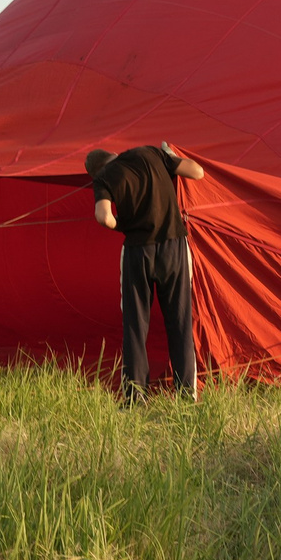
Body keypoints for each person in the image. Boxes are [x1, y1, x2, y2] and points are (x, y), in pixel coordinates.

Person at [86, 140, 206, 402]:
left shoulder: (103, 178)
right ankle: (186, 396)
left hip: (137, 251)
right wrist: (169, 156)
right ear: (114, 154)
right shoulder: (150, 153)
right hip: (174, 246)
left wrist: (122, 226)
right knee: (180, 322)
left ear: (95, 172)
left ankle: (136, 397)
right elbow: (197, 172)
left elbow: (103, 216)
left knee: (135, 327)